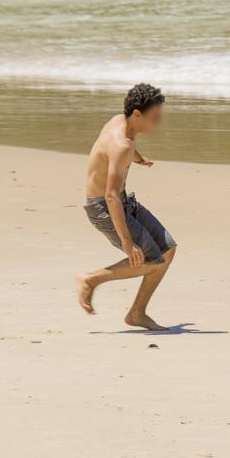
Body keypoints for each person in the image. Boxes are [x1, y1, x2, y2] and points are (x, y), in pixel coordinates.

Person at [75, 84, 177, 330]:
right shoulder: (123, 146)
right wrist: (127, 243)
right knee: (150, 260)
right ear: (137, 115)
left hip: (122, 202)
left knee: (168, 248)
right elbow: (110, 196)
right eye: (154, 117)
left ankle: (137, 314)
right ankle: (91, 279)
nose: (158, 122)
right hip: (104, 207)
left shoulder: (119, 122)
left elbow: (125, 149)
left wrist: (138, 158)